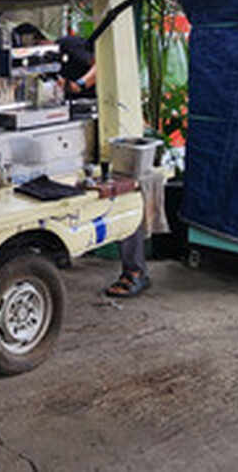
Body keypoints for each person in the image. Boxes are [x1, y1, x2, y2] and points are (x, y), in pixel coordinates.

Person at [54, 34, 150, 297]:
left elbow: (101, 64)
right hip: (87, 117)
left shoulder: (68, 47)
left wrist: (79, 84)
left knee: (121, 192)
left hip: (109, 121)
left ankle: (135, 271)